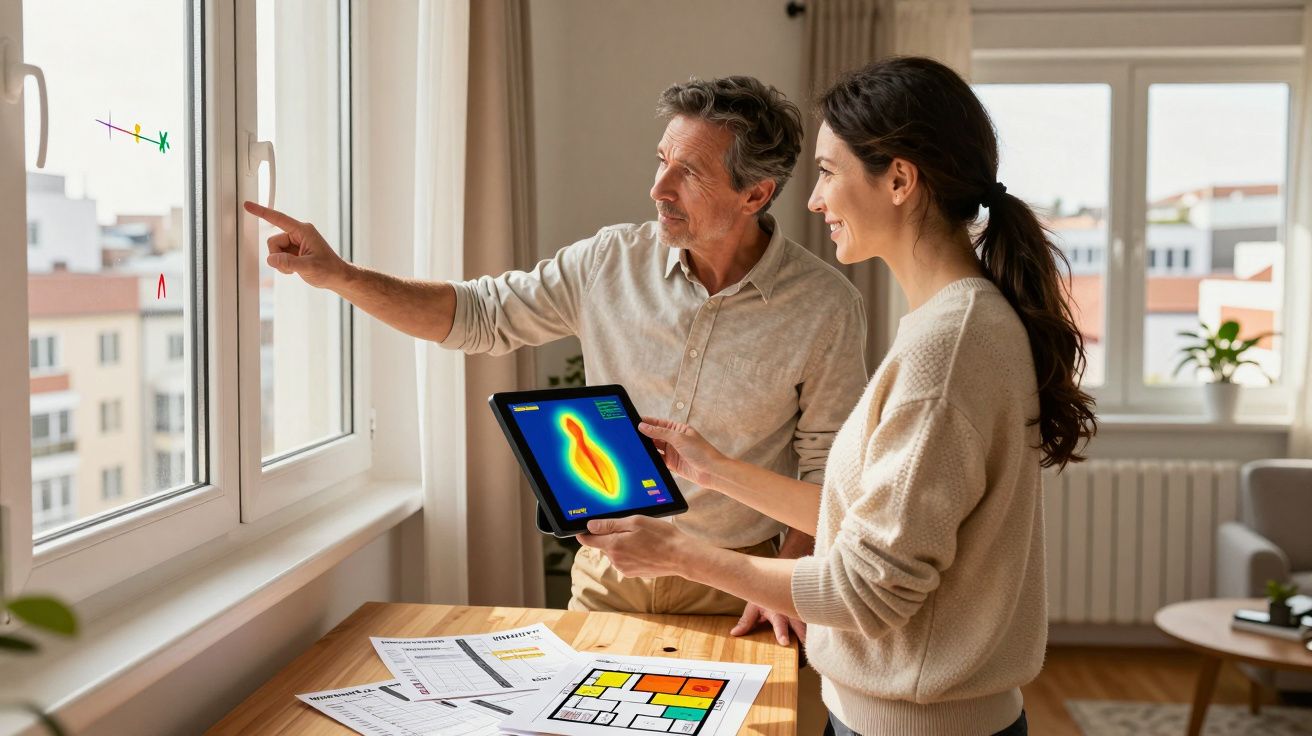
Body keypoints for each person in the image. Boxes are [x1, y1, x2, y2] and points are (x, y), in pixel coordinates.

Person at [242, 75, 868, 643]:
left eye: (690, 174)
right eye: (660, 162)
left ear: (755, 193)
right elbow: (475, 316)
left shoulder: (824, 305)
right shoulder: (607, 261)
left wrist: (787, 572)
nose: (658, 189)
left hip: (742, 588)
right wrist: (340, 276)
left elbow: (828, 468)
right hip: (611, 574)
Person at [577, 56, 1098, 736]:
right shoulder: (955, 324)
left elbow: (865, 591)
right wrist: (712, 470)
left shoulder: (948, 353)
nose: (815, 200)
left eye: (828, 172)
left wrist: (678, 555)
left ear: (900, 180)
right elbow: (866, 520)